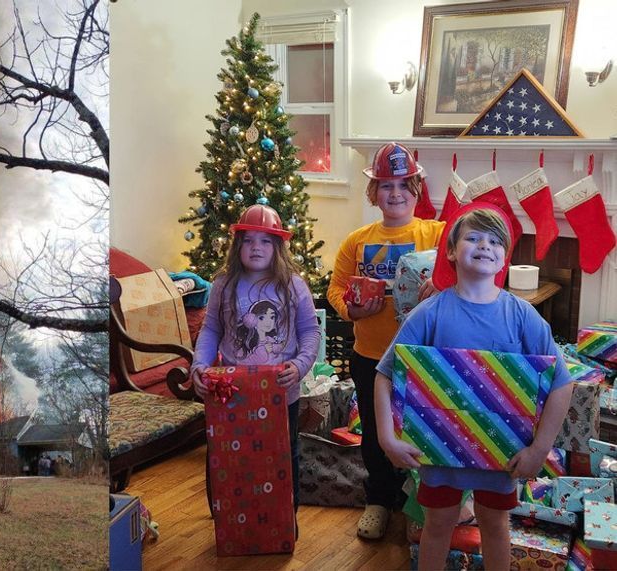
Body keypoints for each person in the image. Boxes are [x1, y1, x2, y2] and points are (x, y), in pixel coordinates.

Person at [373, 204, 573, 570]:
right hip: (439, 449)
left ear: (504, 257)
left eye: (496, 241)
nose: (485, 245)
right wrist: (387, 437)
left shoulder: (522, 315)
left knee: (496, 526)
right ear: (451, 250)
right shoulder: (430, 312)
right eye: (474, 237)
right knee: (437, 526)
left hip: (502, 453)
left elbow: (562, 383)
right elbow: (385, 373)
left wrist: (539, 449)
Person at [326, 142, 445, 539]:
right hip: (370, 355)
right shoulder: (356, 239)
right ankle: (378, 499)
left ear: (417, 189)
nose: (395, 193)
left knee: (424, 429)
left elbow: (467, 271)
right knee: (377, 434)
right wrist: (349, 310)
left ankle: (418, 502)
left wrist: (441, 281)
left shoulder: (438, 234)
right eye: (385, 185)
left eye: (403, 185)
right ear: (373, 193)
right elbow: (335, 289)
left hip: (423, 355)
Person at [190, 204, 321, 512]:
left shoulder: (293, 285)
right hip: (231, 391)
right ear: (237, 246)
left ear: (278, 247)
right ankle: (230, 517)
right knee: (227, 454)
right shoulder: (224, 284)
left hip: (280, 392)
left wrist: (300, 365)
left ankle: (285, 517)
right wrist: (200, 365)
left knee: (283, 455)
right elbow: (210, 329)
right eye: (248, 240)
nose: (256, 247)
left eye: (265, 241)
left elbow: (310, 333)